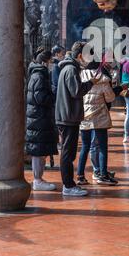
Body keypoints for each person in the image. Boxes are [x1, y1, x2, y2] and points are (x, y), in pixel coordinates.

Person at [55, 41, 99, 197]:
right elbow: (76, 91)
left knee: (69, 152)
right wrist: (90, 83)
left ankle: (69, 184)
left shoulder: (69, 68)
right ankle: (68, 185)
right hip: (68, 117)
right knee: (67, 153)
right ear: (80, 55)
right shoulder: (71, 69)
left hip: (68, 116)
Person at [77, 58, 117, 186]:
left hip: (84, 116)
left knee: (85, 147)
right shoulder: (103, 79)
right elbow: (110, 98)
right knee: (102, 147)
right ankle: (103, 175)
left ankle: (80, 176)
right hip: (99, 116)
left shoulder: (80, 77)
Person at [25, 48, 58, 191]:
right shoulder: (39, 75)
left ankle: (39, 178)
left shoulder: (38, 74)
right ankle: (37, 180)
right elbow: (40, 98)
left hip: (39, 118)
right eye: (51, 61)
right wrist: (54, 95)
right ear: (45, 62)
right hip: (38, 119)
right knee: (38, 151)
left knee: (40, 150)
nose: (52, 64)